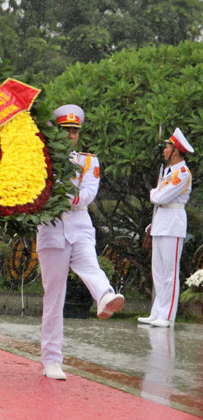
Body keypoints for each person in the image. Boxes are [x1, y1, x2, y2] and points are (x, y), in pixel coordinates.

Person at [37, 104, 125, 380]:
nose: (71, 136)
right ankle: (51, 359)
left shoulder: (89, 161)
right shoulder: (42, 158)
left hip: (80, 226)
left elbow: (87, 194)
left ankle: (104, 297)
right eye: (66, 130)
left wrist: (63, 196)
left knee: (90, 264)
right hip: (51, 230)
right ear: (57, 131)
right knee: (54, 296)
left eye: (74, 131)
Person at [138, 128, 193, 328]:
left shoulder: (183, 174)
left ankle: (168, 315)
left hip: (173, 224)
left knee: (170, 272)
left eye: (167, 147)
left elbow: (160, 197)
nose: (164, 151)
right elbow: (158, 198)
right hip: (161, 223)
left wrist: (155, 193)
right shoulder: (168, 172)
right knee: (158, 271)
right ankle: (157, 312)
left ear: (176, 151)